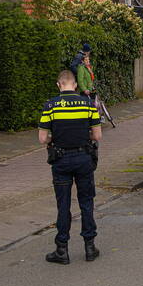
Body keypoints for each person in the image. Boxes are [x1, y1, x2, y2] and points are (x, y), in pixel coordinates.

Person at [39, 70, 103, 265]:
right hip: (84, 158)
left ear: (59, 85)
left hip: (60, 159)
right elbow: (97, 135)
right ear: (75, 85)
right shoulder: (88, 104)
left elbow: (43, 138)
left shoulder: (50, 106)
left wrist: (54, 138)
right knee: (86, 202)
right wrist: (84, 136)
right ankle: (90, 247)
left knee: (63, 205)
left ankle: (62, 250)